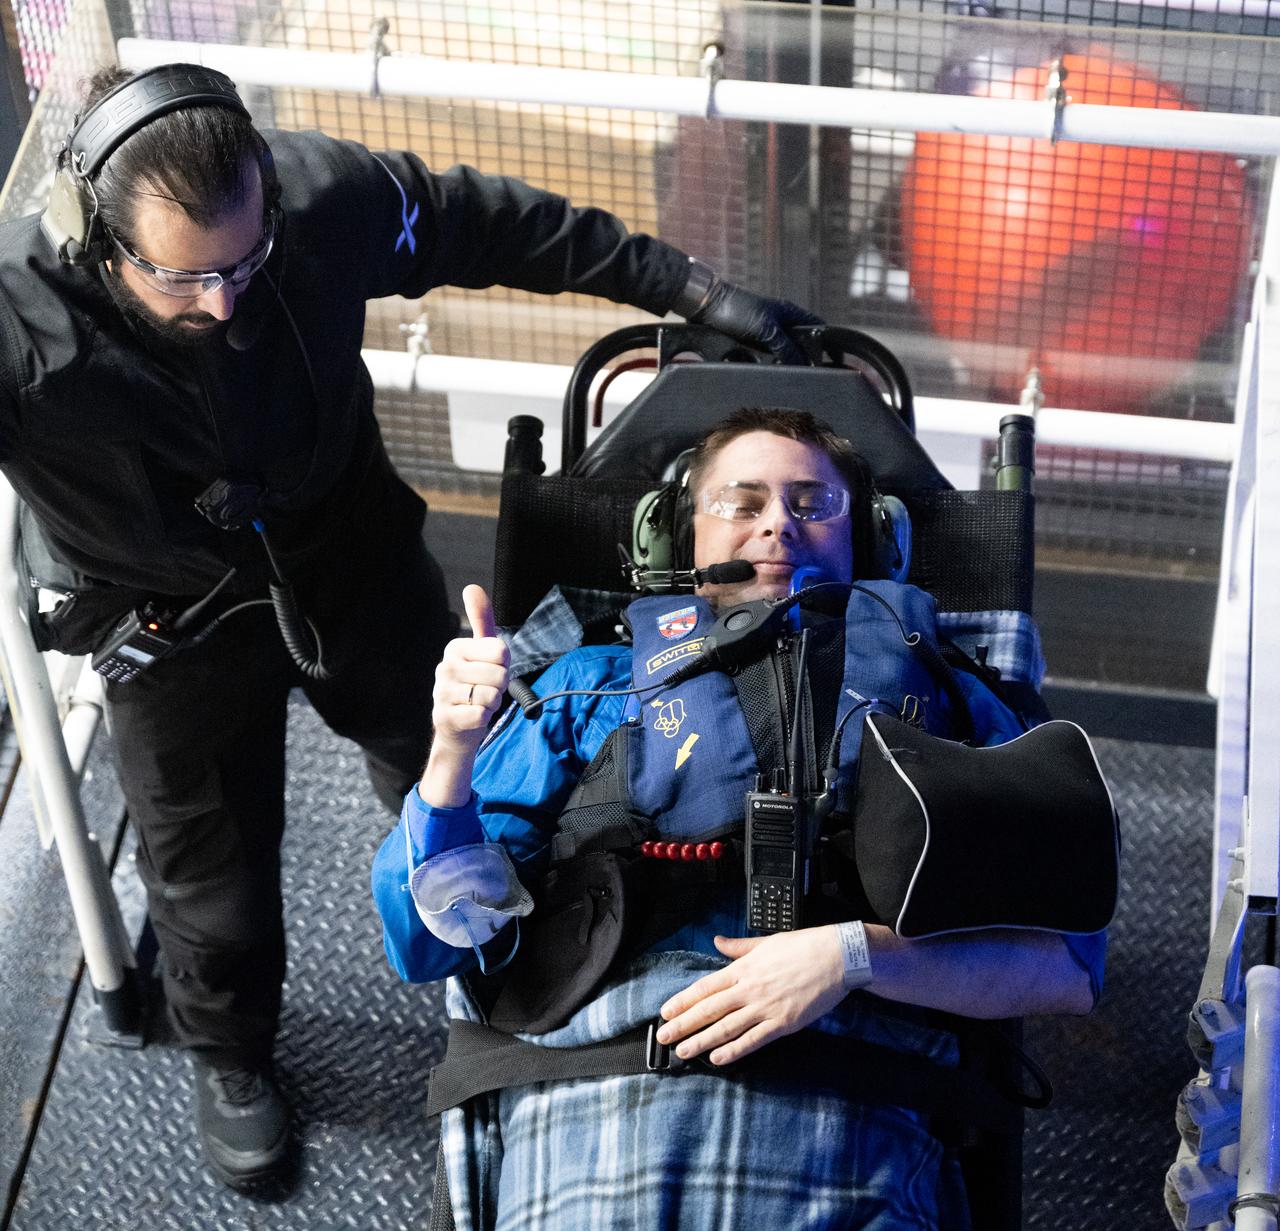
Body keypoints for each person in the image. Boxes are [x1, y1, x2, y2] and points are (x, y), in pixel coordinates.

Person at [0, 61, 818, 1188]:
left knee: (467, 776)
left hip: (353, 561)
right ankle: (230, 1053)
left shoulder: (320, 200)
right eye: (184, 281)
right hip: (167, 625)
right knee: (208, 875)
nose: (226, 303)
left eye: (246, 264)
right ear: (99, 238)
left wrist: (690, 292)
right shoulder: (16, 322)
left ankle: (510, 964)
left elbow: (503, 226)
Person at [373, 407, 1106, 1230]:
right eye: (741, 501)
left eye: (812, 503)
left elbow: (1068, 966)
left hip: (851, 1107)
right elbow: (432, 939)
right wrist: (449, 759)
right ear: (677, 540)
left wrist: (852, 955)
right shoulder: (587, 687)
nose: (776, 526)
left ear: (866, 540)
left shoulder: (946, 696)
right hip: (598, 1106)